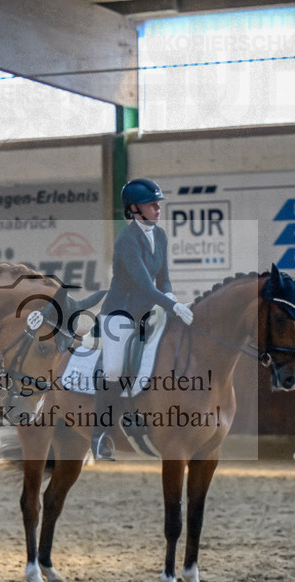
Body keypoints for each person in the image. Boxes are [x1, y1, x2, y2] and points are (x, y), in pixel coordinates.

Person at [92, 178, 193, 461]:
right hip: (120, 313)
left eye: (158, 203)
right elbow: (145, 287)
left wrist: (171, 299)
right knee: (113, 369)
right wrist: (173, 307)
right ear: (134, 209)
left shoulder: (159, 236)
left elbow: (164, 280)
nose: (157, 208)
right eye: (152, 204)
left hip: (149, 311)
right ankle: (99, 434)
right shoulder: (126, 242)